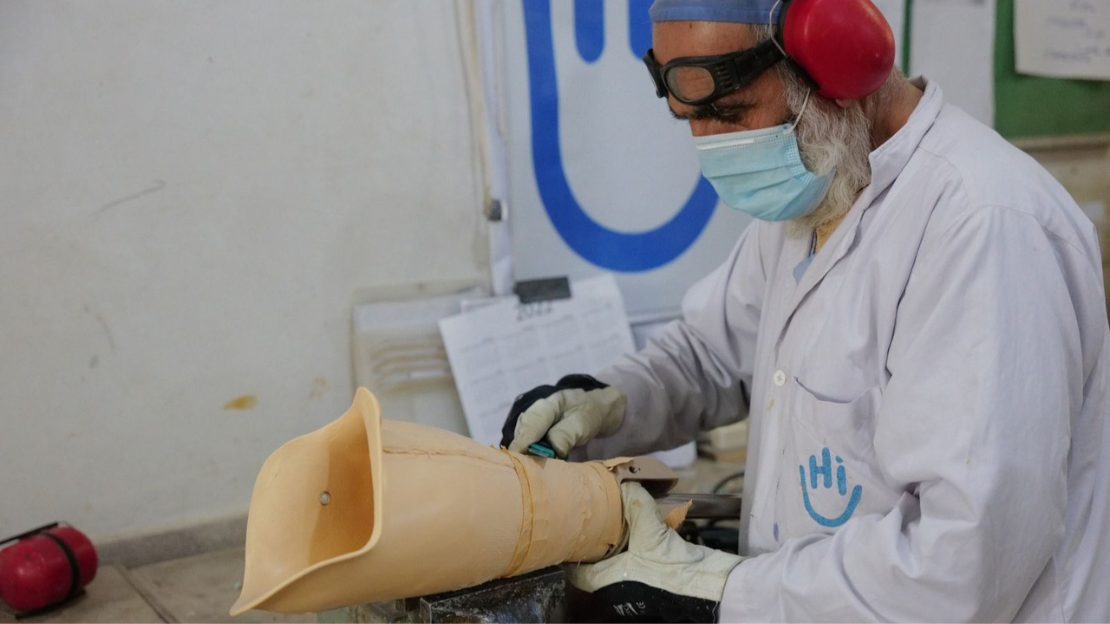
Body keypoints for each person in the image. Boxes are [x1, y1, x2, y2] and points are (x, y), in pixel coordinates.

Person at [502, 0, 1110, 621]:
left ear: (837, 67)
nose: (711, 149)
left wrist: (720, 592)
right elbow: (714, 353)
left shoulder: (980, 224)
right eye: (688, 120)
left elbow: (962, 561)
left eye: (730, 114)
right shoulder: (820, 185)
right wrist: (609, 402)